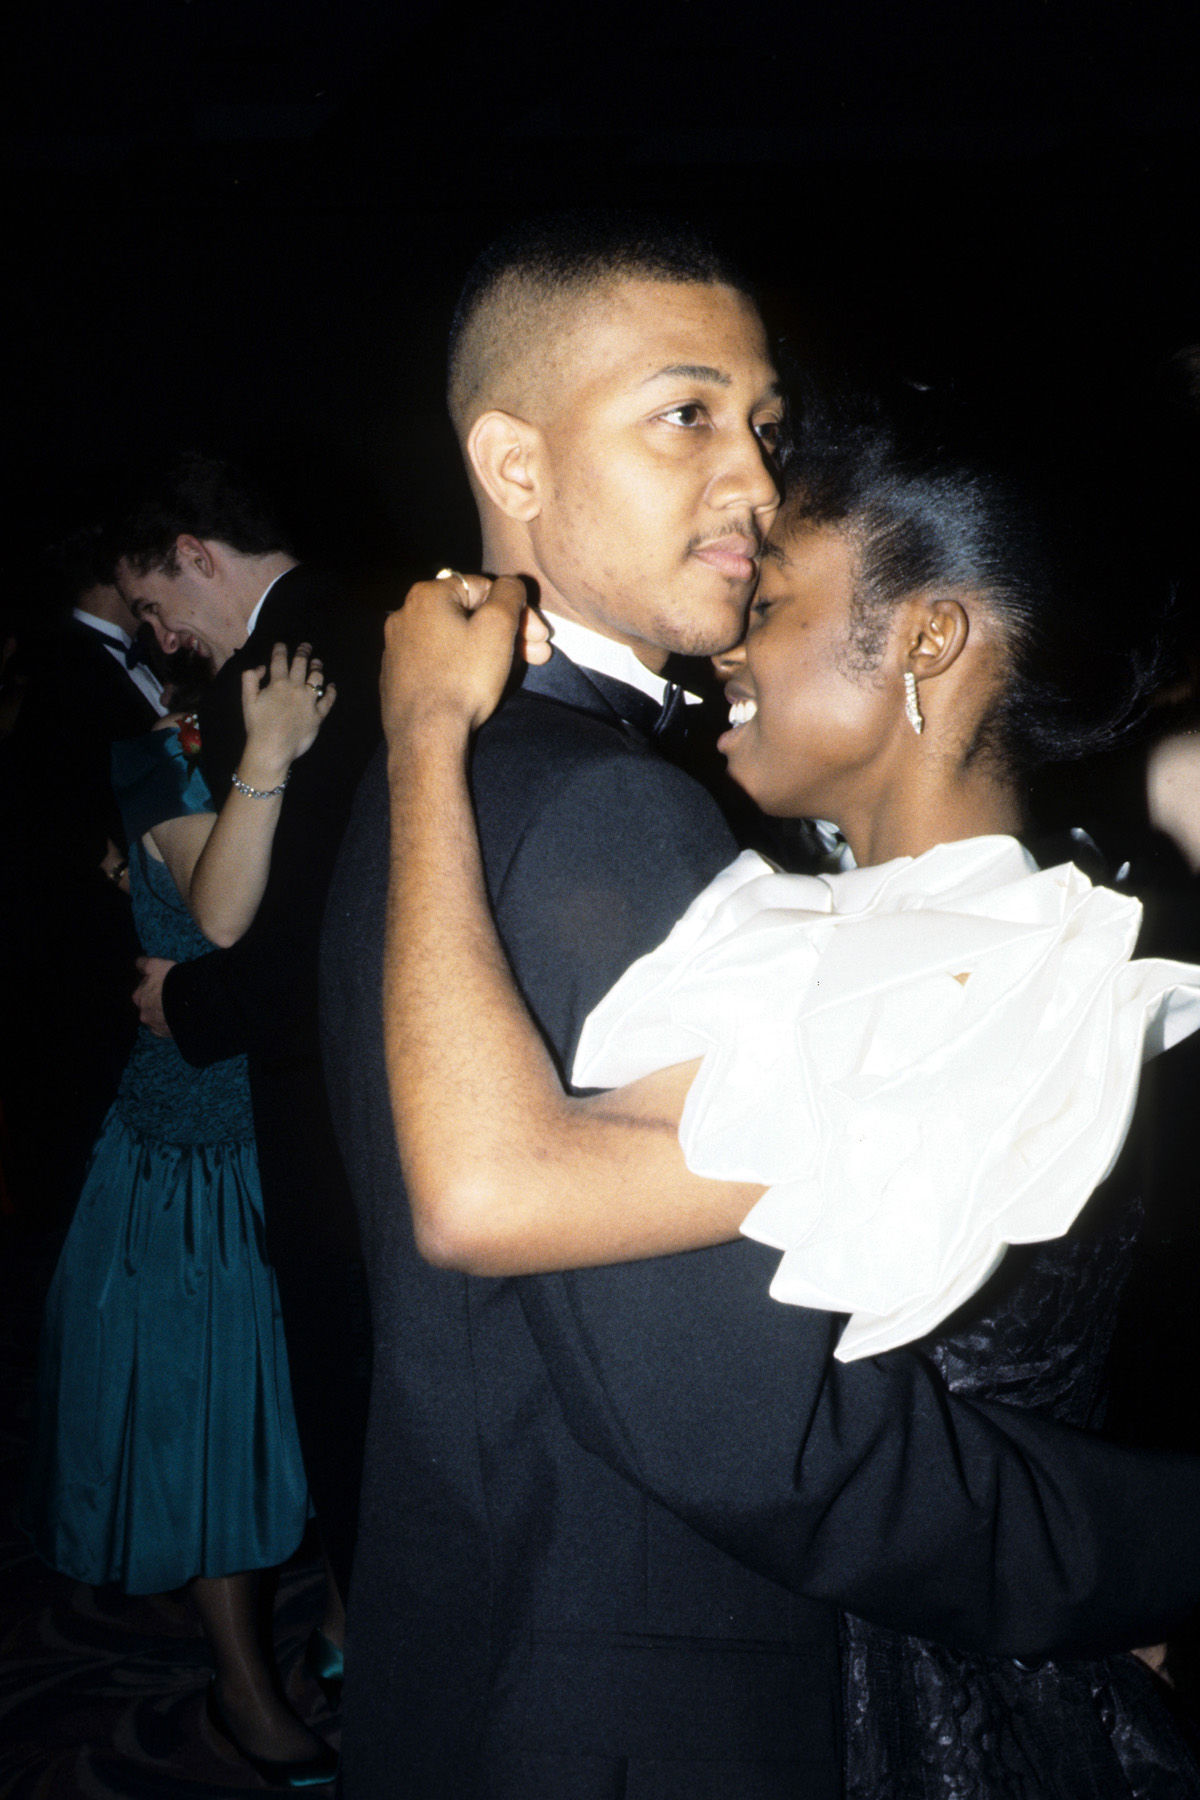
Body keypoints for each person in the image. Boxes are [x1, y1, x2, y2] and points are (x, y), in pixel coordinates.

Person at [319, 215, 1200, 1800]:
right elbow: (765, 1440)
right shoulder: (599, 807)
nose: (752, 479)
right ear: (514, 463)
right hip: (645, 1707)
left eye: (764, 423)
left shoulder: (477, 751)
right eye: (686, 414)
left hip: (501, 1638)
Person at [25, 643, 339, 1788]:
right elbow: (224, 918)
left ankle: (342, 1620)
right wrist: (270, 753)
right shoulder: (156, 762)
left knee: (321, 1405)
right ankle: (242, 1692)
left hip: (300, 1134)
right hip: (194, 1158)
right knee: (215, 1432)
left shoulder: (300, 738)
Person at [112, 453, 380, 1611]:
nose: (160, 636)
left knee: (349, 1385)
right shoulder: (376, 618)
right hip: (411, 1069)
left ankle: (382, 1649)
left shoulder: (263, 682)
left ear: (195, 555)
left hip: (326, 1093)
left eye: (154, 603)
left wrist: (188, 1006)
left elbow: (292, 936)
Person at [0, 528, 167, 1226]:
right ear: (115, 568)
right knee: (76, 1157)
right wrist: (130, 878)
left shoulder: (125, 660)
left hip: (115, 955)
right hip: (85, 960)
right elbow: (48, 811)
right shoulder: (59, 665)